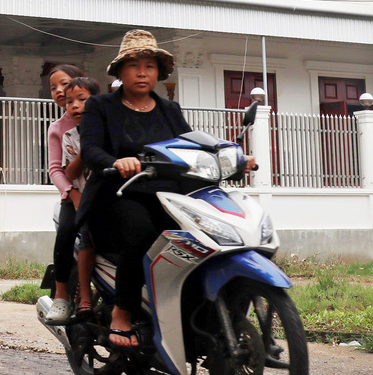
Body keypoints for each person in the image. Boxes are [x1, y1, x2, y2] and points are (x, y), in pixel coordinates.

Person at [78, 29, 254, 347]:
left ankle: (201, 310)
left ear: (159, 71)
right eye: (134, 65)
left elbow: (191, 146)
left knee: (209, 235)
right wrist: (117, 162)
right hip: (119, 193)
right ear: (120, 71)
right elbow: (90, 149)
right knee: (142, 231)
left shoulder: (169, 110)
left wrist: (235, 159)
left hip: (169, 194)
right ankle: (122, 312)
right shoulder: (100, 106)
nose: (142, 72)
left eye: (149, 65)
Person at [43, 63, 84, 322]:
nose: (59, 90)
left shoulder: (100, 119)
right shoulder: (57, 128)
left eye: (64, 83)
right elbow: (55, 169)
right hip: (74, 195)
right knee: (67, 231)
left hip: (101, 191)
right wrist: (71, 192)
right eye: (53, 87)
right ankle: (60, 296)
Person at [60, 76, 101, 317]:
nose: (75, 105)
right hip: (88, 198)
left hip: (113, 195)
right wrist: (85, 153)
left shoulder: (109, 129)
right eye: (69, 102)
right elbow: (70, 172)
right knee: (88, 241)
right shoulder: (70, 137)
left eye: (82, 100)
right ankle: (85, 295)